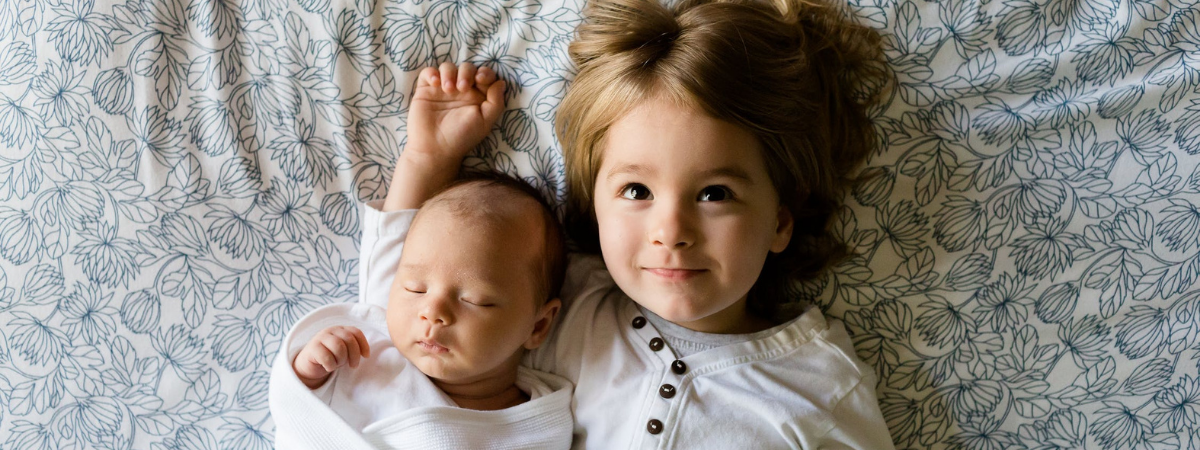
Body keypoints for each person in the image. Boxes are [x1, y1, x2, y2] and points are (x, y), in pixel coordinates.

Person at [402, 0, 896, 447]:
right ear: (594, 208)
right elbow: (410, 296)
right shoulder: (561, 311)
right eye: (636, 191)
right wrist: (428, 161)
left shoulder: (822, 387)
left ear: (779, 223)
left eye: (714, 194)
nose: (672, 230)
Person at [268, 63, 573, 450]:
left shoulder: (539, 424)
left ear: (539, 325)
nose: (432, 311)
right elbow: (301, 418)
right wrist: (310, 373)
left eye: (474, 299)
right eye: (413, 288)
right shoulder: (376, 344)